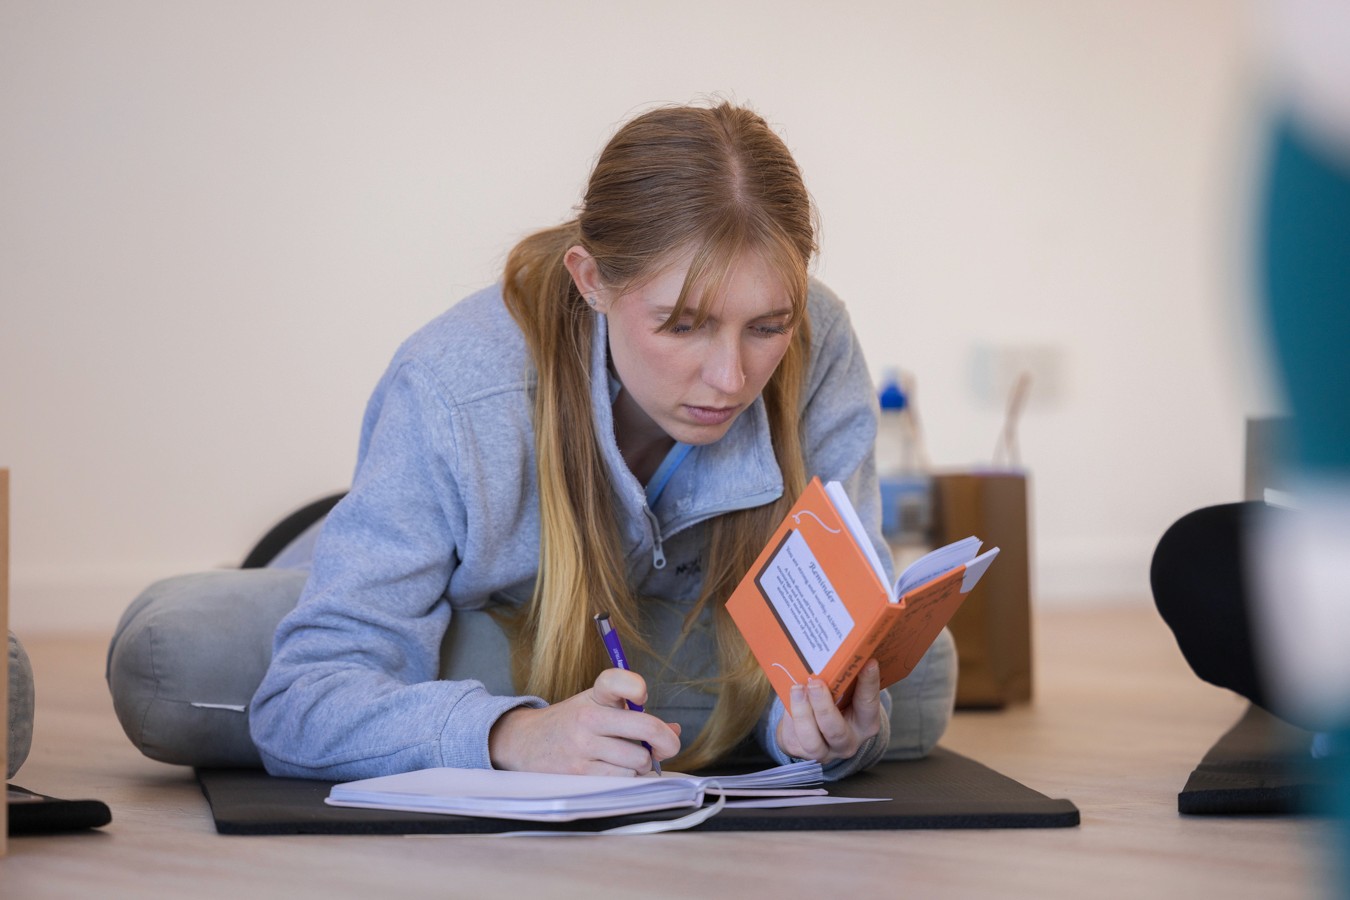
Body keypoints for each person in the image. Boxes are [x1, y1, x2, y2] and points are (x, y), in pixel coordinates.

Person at [107, 101, 957, 782]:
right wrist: (512, 733)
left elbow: (837, 640)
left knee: (916, 682)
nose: (732, 379)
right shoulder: (452, 387)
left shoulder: (821, 339)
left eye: (766, 326)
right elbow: (303, 701)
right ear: (591, 279)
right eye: (683, 325)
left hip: (653, 613)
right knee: (183, 655)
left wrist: (815, 727)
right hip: (414, 553)